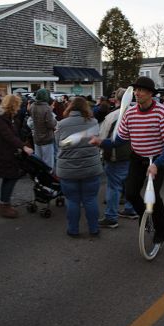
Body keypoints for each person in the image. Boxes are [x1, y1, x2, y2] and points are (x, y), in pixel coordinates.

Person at [91, 76, 164, 243]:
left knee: (154, 196)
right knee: (130, 193)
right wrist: (101, 142)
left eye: (141, 90)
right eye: (135, 90)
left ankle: (161, 228)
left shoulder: (162, 112)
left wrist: (158, 164)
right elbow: (120, 140)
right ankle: (144, 215)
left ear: (150, 93)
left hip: (157, 158)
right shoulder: (129, 113)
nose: (137, 93)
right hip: (137, 158)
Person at [55, 97, 103, 237]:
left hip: (68, 168)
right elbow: (97, 141)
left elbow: (59, 143)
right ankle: (94, 229)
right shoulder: (93, 122)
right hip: (91, 168)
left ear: (70, 107)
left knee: (72, 200)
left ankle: (73, 230)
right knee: (90, 199)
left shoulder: (61, 124)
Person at [98, 88, 138, 229]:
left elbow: (102, 137)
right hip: (135, 155)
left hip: (116, 155)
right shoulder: (137, 113)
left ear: (116, 99)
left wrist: (100, 148)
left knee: (113, 186)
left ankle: (111, 216)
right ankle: (130, 209)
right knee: (129, 183)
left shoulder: (113, 116)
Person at [0, 95, 33, 218]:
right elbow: (8, 136)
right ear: (13, 105)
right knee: (11, 176)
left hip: (8, 153)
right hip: (3, 154)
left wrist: (23, 144)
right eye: (18, 105)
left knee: (10, 177)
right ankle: (4, 204)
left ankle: (4, 203)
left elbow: (14, 135)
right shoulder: (0, 119)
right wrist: (23, 147)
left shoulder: (8, 118)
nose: (19, 107)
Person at [30, 88, 57, 171]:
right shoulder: (46, 108)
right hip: (47, 138)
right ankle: (48, 179)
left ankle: (39, 178)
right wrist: (55, 121)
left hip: (37, 137)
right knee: (48, 163)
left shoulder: (33, 106)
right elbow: (50, 124)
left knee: (39, 161)